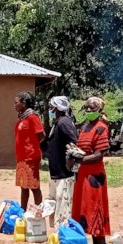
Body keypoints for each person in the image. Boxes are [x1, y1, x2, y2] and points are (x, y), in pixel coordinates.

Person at [70, 96, 111, 244]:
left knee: (95, 206)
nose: (88, 111)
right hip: (83, 173)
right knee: (85, 206)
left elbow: (99, 154)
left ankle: (100, 243)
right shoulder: (85, 127)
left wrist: (81, 159)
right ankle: (94, 243)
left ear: (99, 110)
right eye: (86, 108)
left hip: (94, 175)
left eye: (92, 108)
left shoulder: (101, 128)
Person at [46, 95, 78, 228]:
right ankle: (58, 231)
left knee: (63, 203)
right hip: (56, 171)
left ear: (57, 108)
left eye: (51, 107)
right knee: (56, 201)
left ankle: (64, 231)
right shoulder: (58, 122)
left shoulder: (64, 122)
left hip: (63, 172)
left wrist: (71, 159)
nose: (50, 109)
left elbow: (74, 141)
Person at [13, 91, 45, 210]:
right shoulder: (21, 119)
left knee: (34, 186)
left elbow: (41, 135)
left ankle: (38, 213)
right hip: (21, 158)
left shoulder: (32, 117)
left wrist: (31, 146)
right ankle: (23, 211)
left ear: (24, 103)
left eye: (16, 103)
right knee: (23, 186)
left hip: (31, 158)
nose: (14, 105)